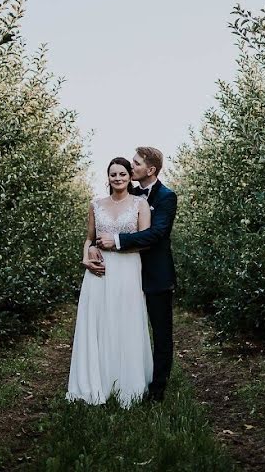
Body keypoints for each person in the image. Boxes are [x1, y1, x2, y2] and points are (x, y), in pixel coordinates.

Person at [92, 146, 178, 402]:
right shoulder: (127, 191)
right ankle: (121, 378)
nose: (131, 167)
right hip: (124, 273)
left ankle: (157, 389)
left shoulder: (166, 197)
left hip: (155, 274)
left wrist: (116, 241)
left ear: (150, 170)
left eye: (136, 163)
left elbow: (157, 233)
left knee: (161, 333)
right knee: (122, 326)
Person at [66, 157, 153, 407]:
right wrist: (86, 257)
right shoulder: (96, 204)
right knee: (99, 321)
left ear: (129, 177)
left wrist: (115, 243)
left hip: (127, 268)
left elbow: (145, 241)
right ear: (108, 177)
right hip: (99, 271)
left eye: (123, 174)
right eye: (113, 174)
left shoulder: (140, 204)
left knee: (125, 321)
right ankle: (98, 381)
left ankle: (128, 383)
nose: (118, 178)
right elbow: (89, 238)